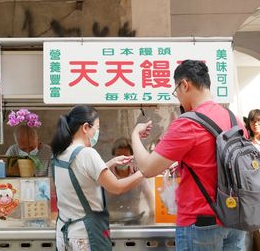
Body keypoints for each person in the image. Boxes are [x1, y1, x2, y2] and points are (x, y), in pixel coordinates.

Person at [131, 60, 248, 250]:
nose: (177, 96)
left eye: (176, 91)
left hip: (200, 223)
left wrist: (135, 135)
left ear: (184, 85)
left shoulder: (188, 123)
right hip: (235, 219)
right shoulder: (234, 119)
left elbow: (147, 168)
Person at [51, 105, 145, 251]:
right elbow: (117, 187)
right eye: (97, 127)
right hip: (86, 236)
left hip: (64, 234)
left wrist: (109, 163)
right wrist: (145, 171)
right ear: (85, 128)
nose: (97, 132)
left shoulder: (59, 153)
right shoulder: (88, 154)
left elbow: (80, 175)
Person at [106, 138, 155, 222]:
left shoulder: (137, 173)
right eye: (118, 156)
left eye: (126, 156)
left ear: (131, 157)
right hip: (112, 219)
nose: (122, 159)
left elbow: (149, 195)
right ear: (113, 156)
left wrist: (152, 210)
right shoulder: (107, 174)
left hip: (134, 220)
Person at [245, 109, 260, 250]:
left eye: (259, 121)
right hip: (253, 193)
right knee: (254, 230)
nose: (256, 124)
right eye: (253, 121)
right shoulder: (246, 144)